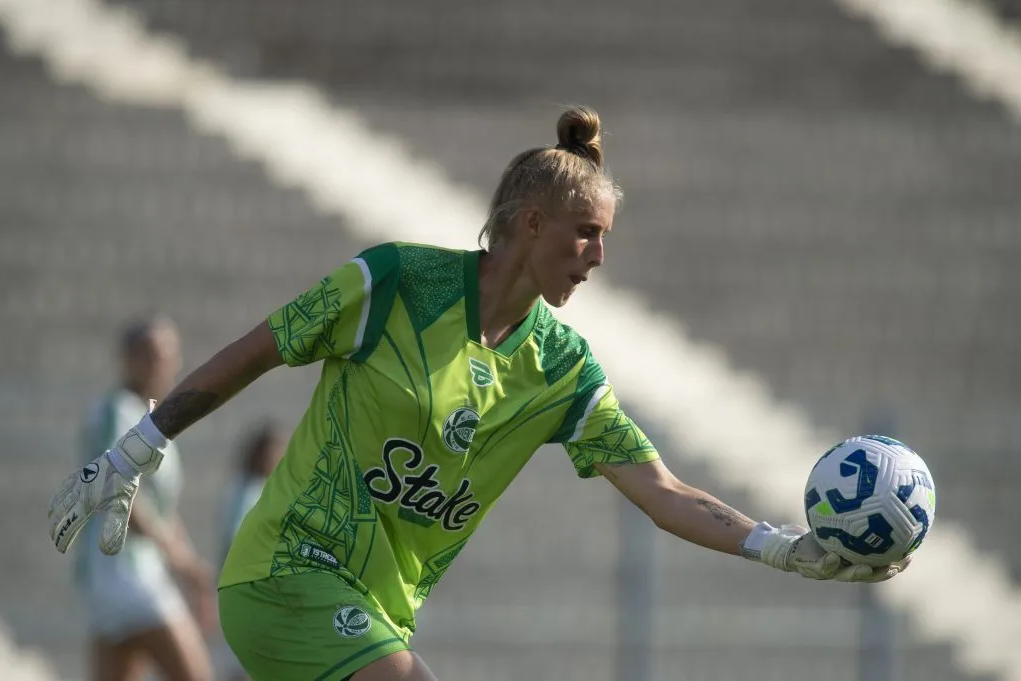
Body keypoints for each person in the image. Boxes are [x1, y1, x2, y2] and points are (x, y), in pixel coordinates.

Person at [50, 106, 910, 681]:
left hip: (378, 611)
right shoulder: (391, 283)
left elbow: (662, 491)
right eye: (586, 235)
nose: (597, 258)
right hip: (282, 576)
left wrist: (780, 546)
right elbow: (256, 351)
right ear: (531, 223)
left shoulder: (562, 368)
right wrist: (140, 442)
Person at [73, 316, 215, 681]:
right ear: (128, 358)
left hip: (136, 573)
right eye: (151, 354)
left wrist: (189, 563)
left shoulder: (153, 420)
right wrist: (183, 564)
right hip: (122, 575)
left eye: (168, 355)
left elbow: (160, 507)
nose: (162, 364)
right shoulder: (116, 410)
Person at [217, 421, 286, 681]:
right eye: (273, 450)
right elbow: (235, 544)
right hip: (251, 592)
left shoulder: (263, 490)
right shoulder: (247, 492)